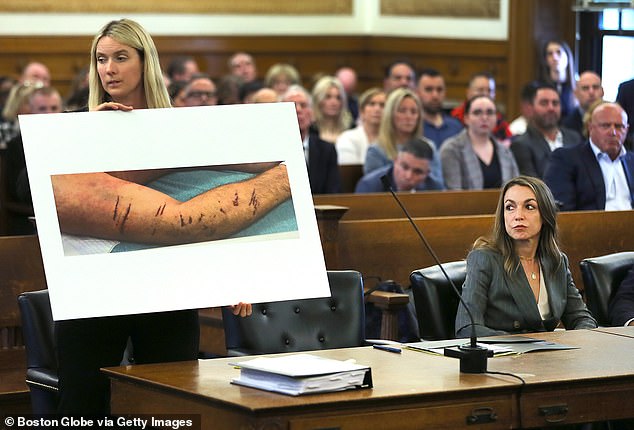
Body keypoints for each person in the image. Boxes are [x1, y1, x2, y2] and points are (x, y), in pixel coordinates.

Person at [53, 19, 253, 415]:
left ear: (145, 63)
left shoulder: (182, 130)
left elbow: (205, 209)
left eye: (120, 58)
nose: (108, 68)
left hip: (167, 291)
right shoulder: (75, 126)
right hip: (95, 290)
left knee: (169, 407)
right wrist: (86, 133)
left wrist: (232, 276)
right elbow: (29, 190)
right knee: (83, 409)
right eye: (101, 59)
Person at [455, 175, 597, 337]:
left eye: (529, 207)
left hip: (552, 358)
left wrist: (581, 340)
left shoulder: (557, 261)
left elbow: (581, 318)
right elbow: (467, 327)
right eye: (510, 207)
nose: (518, 216)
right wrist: (525, 344)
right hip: (504, 357)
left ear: (545, 214)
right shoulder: (484, 258)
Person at [544, 102, 634, 211]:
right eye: (605, 126)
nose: (613, 132)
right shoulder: (566, 159)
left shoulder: (631, 161)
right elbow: (562, 212)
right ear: (590, 127)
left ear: (627, 130)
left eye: (619, 126)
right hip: (590, 226)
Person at [440, 95, 518, 190]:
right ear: (466, 118)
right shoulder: (452, 149)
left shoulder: (505, 151)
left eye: (490, 112)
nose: (484, 118)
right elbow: (454, 194)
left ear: (496, 118)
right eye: (477, 113)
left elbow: (515, 188)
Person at [510, 83, 582, 178]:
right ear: (531, 108)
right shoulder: (521, 145)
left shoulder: (574, 138)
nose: (551, 108)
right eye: (544, 103)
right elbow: (534, 186)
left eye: (555, 103)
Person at [281, 85, 341, 194]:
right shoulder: (274, 151)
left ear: (312, 113)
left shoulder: (327, 150)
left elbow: (333, 192)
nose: (298, 110)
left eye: (303, 105)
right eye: (292, 105)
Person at [355, 137, 442, 193]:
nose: (408, 176)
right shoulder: (370, 186)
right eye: (404, 167)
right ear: (395, 160)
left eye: (417, 172)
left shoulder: (434, 189)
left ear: (427, 173)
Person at [450, 72, 512, 144]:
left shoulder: (498, 120)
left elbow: (509, 139)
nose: (485, 94)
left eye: (489, 91)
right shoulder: (455, 117)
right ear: (468, 92)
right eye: (480, 90)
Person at [335, 87, 385, 165]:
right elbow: (349, 170)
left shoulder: (393, 139)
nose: (377, 109)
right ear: (362, 111)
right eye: (372, 104)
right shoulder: (347, 138)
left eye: (382, 105)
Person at [416, 68, 463, 150]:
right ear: (417, 92)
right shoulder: (413, 126)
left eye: (439, 90)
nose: (435, 95)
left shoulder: (456, 126)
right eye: (428, 89)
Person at [539, 39, 577, 120]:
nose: (555, 57)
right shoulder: (539, 87)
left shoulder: (577, 86)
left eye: (559, 52)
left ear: (567, 56)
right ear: (545, 59)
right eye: (550, 54)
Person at [310, 75, 352, 144]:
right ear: (318, 100)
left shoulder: (350, 129)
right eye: (328, 97)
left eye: (338, 98)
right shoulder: (309, 130)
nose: (334, 103)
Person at [562, 71, 603, 136]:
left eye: (595, 87)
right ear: (576, 94)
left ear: (602, 92)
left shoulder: (614, 117)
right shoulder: (566, 125)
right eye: (585, 88)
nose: (591, 92)